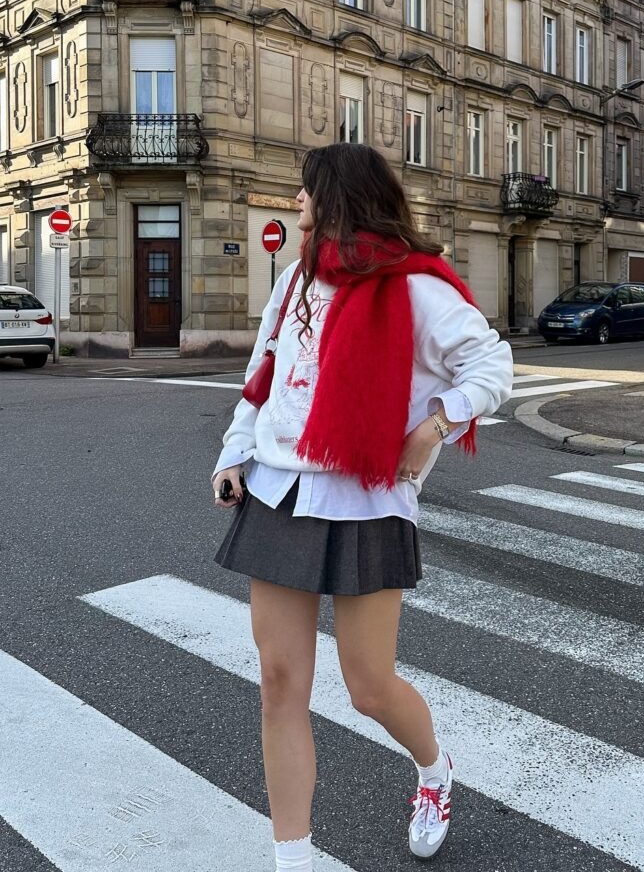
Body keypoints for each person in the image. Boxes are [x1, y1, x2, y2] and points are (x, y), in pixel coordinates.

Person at [211, 143, 513, 871]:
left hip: (366, 499)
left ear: (337, 198)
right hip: (279, 491)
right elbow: (265, 375)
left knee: (368, 688)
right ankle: (295, 860)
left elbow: (491, 364)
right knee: (280, 683)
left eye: (305, 192)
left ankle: (434, 772)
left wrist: (435, 423)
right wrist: (232, 452)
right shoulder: (292, 283)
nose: (295, 203)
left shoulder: (413, 287)